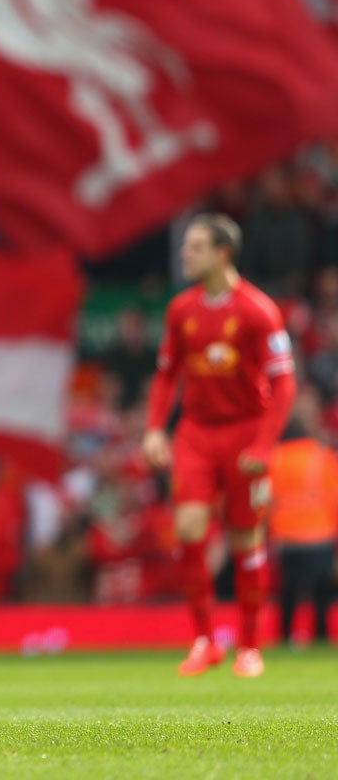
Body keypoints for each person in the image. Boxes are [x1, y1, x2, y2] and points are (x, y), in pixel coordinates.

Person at [143, 213, 296, 678]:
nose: (185, 254)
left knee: (245, 539)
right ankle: (204, 641)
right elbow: (168, 374)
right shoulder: (181, 310)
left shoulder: (259, 311)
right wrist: (154, 428)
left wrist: (265, 446)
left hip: (246, 431)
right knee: (189, 528)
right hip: (196, 433)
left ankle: (249, 646)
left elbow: (283, 384)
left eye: (195, 247)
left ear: (222, 253)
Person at [269, 391, 338, 644]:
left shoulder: (274, 458)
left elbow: (264, 502)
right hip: (319, 538)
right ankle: (321, 638)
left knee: (288, 595)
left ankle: (284, 638)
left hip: (287, 539)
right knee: (320, 597)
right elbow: (334, 499)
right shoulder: (322, 456)